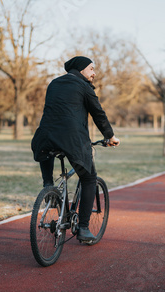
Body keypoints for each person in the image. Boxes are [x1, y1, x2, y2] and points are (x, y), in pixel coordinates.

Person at [31, 56, 120, 242]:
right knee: (89, 178)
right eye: (91, 69)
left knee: (46, 156)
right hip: (71, 139)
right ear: (81, 70)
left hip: (44, 137)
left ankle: (49, 188)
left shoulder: (54, 83)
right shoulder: (84, 87)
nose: (94, 73)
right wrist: (110, 136)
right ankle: (84, 228)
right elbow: (98, 113)